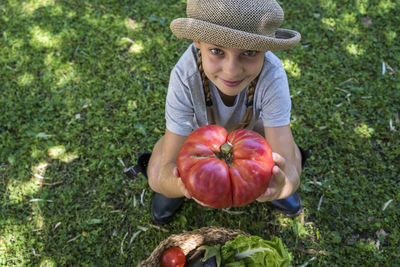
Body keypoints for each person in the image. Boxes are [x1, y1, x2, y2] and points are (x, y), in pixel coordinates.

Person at [129, 0, 310, 225]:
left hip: (249, 131)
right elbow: (168, 168)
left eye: (250, 52)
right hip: (198, 137)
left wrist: (282, 185)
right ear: (198, 43)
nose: (231, 70)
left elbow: (289, 167)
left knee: (293, 157)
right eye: (216, 51)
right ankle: (171, 195)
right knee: (157, 175)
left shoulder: (272, 76)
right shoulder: (185, 77)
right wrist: (181, 185)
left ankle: (271, 188)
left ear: (267, 49)